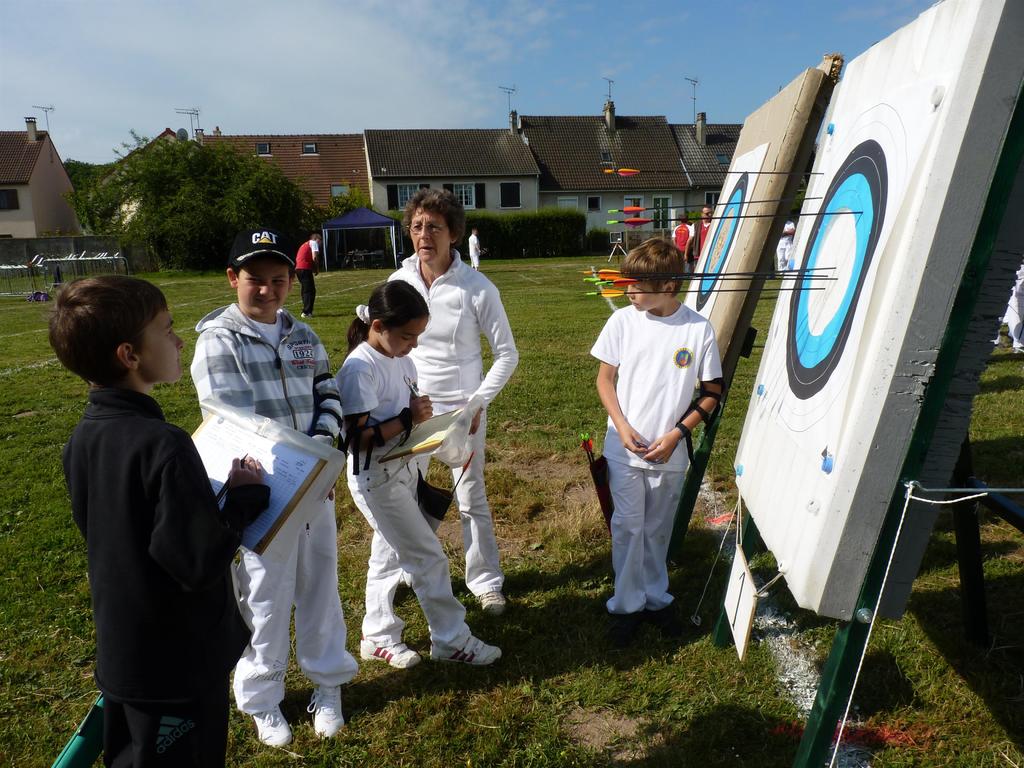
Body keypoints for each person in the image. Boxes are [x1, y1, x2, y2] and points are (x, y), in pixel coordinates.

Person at [51, 275, 270, 766]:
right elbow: (197, 562)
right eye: (167, 330)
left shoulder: (82, 438)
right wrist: (243, 500)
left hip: (124, 652)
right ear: (130, 355)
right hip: (177, 665)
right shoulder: (164, 445)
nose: (179, 341)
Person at [191, 228, 357, 747]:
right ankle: (262, 699)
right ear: (232, 278)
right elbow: (229, 419)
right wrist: (287, 474)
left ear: (292, 279)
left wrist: (321, 454)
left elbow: (328, 392)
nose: (268, 290)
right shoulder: (218, 340)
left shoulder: (303, 335)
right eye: (255, 280)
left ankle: (327, 683)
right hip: (261, 493)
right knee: (264, 595)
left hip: (313, 487)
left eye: (279, 279)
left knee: (320, 584)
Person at [337, 281, 502, 669]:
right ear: (379, 326)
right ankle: (451, 639)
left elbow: (412, 420)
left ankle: (377, 636)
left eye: (418, 336)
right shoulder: (359, 369)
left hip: (402, 471)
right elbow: (356, 440)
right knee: (427, 557)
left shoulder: (402, 361)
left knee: (388, 555)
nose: (414, 345)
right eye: (408, 336)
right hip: (376, 480)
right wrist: (408, 418)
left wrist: (450, 423)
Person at [389, 189, 519, 615]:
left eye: (434, 227)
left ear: (454, 234)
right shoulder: (399, 281)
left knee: (470, 497)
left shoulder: (477, 288)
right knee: (406, 496)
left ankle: (485, 581)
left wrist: (476, 405)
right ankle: (411, 570)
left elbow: (507, 354)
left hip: (464, 413)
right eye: (417, 226)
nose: (424, 235)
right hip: (413, 410)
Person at [591, 238, 724, 648]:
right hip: (623, 448)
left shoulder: (697, 329)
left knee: (656, 529)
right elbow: (605, 380)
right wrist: (621, 426)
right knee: (627, 527)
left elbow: (712, 393)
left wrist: (676, 435)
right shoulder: (623, 322)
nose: (628, 291)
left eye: (637, 285)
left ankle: (655, 598)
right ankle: (626, 605)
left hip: (669, 452)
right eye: (627, 282)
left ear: (668, 286)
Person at [295, 232, 321, 318]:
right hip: (305, 268)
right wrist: (317, 268)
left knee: (305, 290)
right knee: (310, 291)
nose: (320, 243)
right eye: (320, 241)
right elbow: (314, 257)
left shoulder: (305, 244)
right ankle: (306, 312)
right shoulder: (314, 243)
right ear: (317, 239)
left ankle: (306, 310)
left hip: (298, 268)